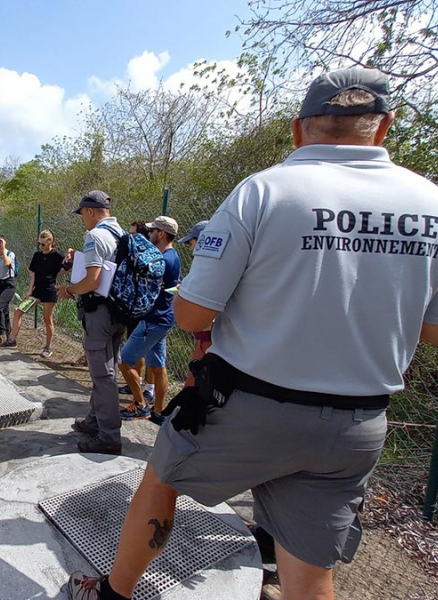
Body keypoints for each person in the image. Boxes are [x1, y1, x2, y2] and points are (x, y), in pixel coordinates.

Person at [66, 67, 438, 600]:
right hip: (358, 423)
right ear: (383, 128)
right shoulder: (429, 203)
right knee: (310, 571)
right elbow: (431, 330)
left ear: (297, 129)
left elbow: (193, 316)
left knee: (160, 480)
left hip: (250, 407)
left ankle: (114, 592)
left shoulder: (264, 191)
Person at [58, 190, 126, 455]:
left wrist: (69, 290)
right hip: (119, 312)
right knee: (108, 368)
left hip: (99, 313)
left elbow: (92, 281)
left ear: (89, 211)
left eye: (82, 215)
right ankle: (93, 420)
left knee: (102, 375)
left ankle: (109, 437)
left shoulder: (95, 236)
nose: (82, 221)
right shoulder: (122, 234)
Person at [118, 216, 181, 425]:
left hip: (153, 319)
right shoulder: (171, 256)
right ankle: (160, 411)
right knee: (158, 365)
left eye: (152, 231)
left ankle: (140, 404)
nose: (149, 234)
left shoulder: (163, 260)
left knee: (124, 361)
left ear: (161, 234)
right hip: (163, 318)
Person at [1, 229, 68, 356]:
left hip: (50, 290)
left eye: (43, 244)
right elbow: (33, 273)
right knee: (18, 311)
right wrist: (29, 290)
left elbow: (68, 268)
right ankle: (12, 340)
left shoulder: (57, 255)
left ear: (50, 242)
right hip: (37, 291)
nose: (40, 246)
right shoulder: (37, 255)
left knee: (47, 319)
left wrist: (57, 272)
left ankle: (48, 347)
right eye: (39, 244)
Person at [118, 220, 156, 403]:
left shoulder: (158, 255)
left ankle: (149, 389)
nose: (130, 238)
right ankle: (136, 381)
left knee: (151, 353)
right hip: (136, 308)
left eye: (134, 235)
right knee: (136, 350)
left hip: (152, 313)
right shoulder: (137, 254)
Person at [177, 220, 212, 388]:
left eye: (191, 243)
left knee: (194, 390)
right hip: (205, 338)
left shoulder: (212, 268)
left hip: (210, 339)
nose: (190, 249)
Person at [0, 236, 17, 344]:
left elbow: (7, 263)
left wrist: (3, 250)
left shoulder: (10, 254)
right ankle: (7, 336)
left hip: (9, 284)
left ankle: (1, 332)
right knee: (4, 310)